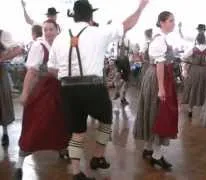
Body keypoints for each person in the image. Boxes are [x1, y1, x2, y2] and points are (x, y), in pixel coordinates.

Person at [47, 0, 148, 179]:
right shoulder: (98, 32)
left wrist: (67, 79)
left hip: (67, 89)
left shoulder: (59, 38)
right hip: (93, 87)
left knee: (77, 132)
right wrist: (140, 7)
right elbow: (127, 24)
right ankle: (98, 156)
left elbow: (51, 69)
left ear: (74, 15)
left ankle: (76, 172)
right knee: (107, 121)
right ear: (90, 16)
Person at [14, 20, 70, 180]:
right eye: (45, 29)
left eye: (51, 29)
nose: (48, 32)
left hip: (60, 90)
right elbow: (31, 72)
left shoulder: (62, 45)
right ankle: (19, 163)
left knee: (61, 123)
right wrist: (25, 94)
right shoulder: (39, 46)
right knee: (34, 125)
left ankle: (62, 149)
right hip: (42, 91)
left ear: (57, 30)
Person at [134, 11, 178, 170]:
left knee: (153, 111)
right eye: (170, 21)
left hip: (154, 76)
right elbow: (160, 64)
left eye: (173, 20)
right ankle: (156, 155)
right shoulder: (159, 39)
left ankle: (148, 148)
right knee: (158, 113)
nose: (173, 23)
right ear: (161, 22)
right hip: (158, 78)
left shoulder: (157, 38)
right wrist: (161, 88)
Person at [181, 29, 206, 118]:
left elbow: (184, 57)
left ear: (197, 39)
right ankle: (204, 109)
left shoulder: (192, 49)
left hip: (194, 70)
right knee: (204, 88)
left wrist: (190, 61)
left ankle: (190, 109)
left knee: (193, 88)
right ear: (205, 40)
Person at [0, 30, 23, 147]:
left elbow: (19, 48)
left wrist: (2, 58)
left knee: (3, 103)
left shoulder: (2, 33)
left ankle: (5, 133)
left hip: (0, 73)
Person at [113, 36, 131, 106]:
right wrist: (119, 72)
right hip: (124, 71)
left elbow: (119, 65)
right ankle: (121, 98)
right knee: (124, 86)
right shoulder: (120, 57)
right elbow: (117, 65)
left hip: (125, 71)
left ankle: (119, 96)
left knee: (123, 85)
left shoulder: (123, 56)